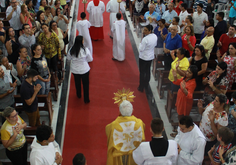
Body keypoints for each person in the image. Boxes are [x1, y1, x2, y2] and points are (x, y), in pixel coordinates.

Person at [106, 100, 145, 165]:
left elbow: (108, 131)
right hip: (134, 155)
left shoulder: (113, 125)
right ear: (132, 110)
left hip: (119, 157)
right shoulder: (139, 123)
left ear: (120, 111)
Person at [67, 36, 92, 103]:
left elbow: (68, 58)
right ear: (82, 41)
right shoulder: (85, 50)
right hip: (84, 69)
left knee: (77, 82)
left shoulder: (71, 49)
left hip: (75, 69)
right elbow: (90, 59)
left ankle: (78, 94)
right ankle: (86, 99)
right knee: (85, 84)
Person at [138, 25, 157, 92]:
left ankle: (141, 86)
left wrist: (140, 43)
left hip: (143, 57)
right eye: (144, 29)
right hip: (150, 56)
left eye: (146, 30)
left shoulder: (145, 39)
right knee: (148, 71)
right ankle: (146, 84)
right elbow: (155, 45)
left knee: (142, 72)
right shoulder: (155, 36)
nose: (144, 31)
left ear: (150, 31)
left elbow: (141, 49)